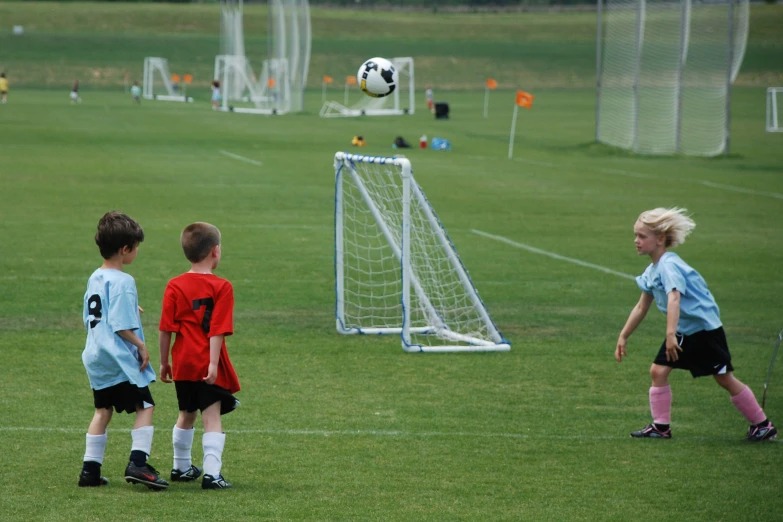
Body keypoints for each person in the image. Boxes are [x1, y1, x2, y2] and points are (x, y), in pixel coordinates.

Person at [615, 207, 777, 442]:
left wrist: (670, 334)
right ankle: (661, 427)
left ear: (660, 239)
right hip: (684, 331)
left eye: (642, 236)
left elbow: (674, 297)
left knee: (724, 378)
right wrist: (623, 335)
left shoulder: (670, 266)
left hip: (704, 332)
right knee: (658, 371)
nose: (636, 241)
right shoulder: (652, 270)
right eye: (636, 235)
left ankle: (762, 425)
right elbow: (641, 307)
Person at [79, 211, 169, 490]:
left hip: (95, 356)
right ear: (125, 249)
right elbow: (119, 325)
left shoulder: (96, 276)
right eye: (136, 247)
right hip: (117, 358)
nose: (136, 252)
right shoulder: (124, 281)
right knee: (146, 405)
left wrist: (130, 307)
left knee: (103, 410)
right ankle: (138, 464)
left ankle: (90, 471)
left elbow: (94, 313)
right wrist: (141, 345)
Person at [159, 222, 241, 490]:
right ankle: (212, 474)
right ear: (215, 251)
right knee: (211, 416)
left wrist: (164, 362)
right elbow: (217, 330)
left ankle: (180, 466)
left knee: (186, 413)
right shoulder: (222, 287)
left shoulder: (175, 285)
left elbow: (166, 329)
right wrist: (214, 363)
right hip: (207, 361)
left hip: (183, 361)